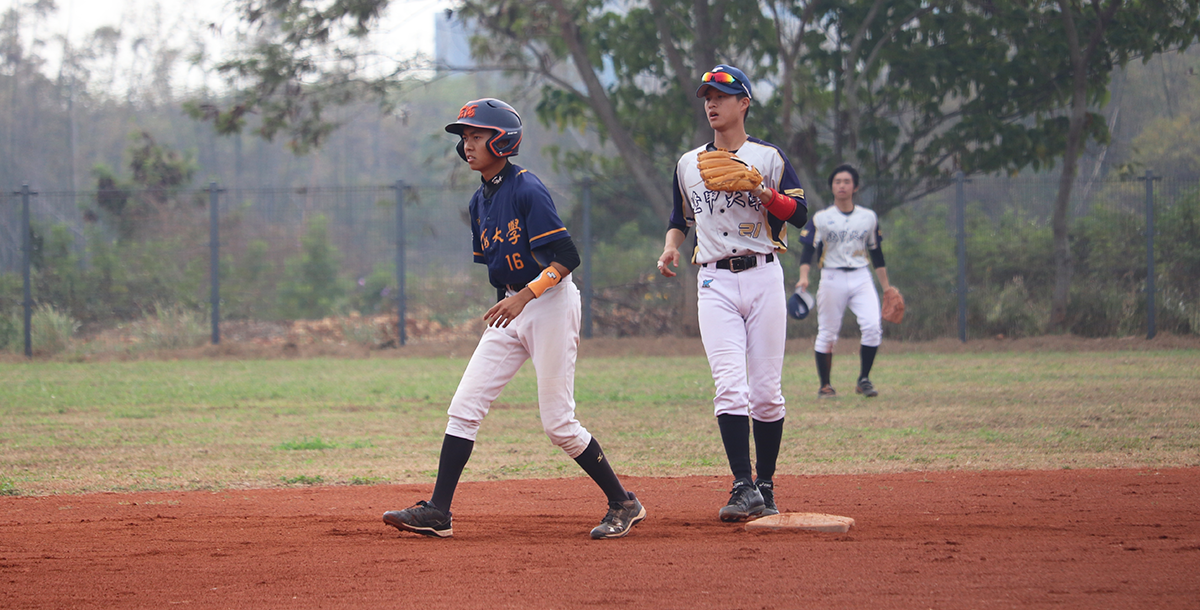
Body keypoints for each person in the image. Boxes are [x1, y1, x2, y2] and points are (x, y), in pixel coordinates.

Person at [384, 98, 645, 540]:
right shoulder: (479, 201)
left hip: (550, 304)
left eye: (476, 135)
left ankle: (625, 503)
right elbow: (500, 264)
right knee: (464, 408)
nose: (468, 144)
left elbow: (567, 257)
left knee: (558, 424)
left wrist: (523, 297)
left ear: (502, 141)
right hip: (513, 307)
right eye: (464, 137)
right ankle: (439, 513)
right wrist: (510, 300)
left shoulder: (527, 188)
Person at [656, 65, 808, 522]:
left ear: (743, 103)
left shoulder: (768, 157)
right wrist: (669, 248)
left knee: (766, 394)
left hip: (763, 275)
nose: (711, 103)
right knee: (729, 386)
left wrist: (763, 192)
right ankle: (743, 486)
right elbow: (679, 218)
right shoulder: (689, 163)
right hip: (713, 280)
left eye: (721, 95)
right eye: (707, 96)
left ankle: (766, 485)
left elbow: (799, 215)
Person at [796, 164, 893, 398]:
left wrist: (887, 288)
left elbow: (876, 253)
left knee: (872, 327)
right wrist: (804, 276)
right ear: (832, 186)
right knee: (828, 333)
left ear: (856, 187)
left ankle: (864, 379)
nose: (842, 185)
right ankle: (825, 385)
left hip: (861, 275)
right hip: (831, 276)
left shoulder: (868, 217)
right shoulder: (822, 218)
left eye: (847, 181)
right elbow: (808, 250)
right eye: (837, 181)